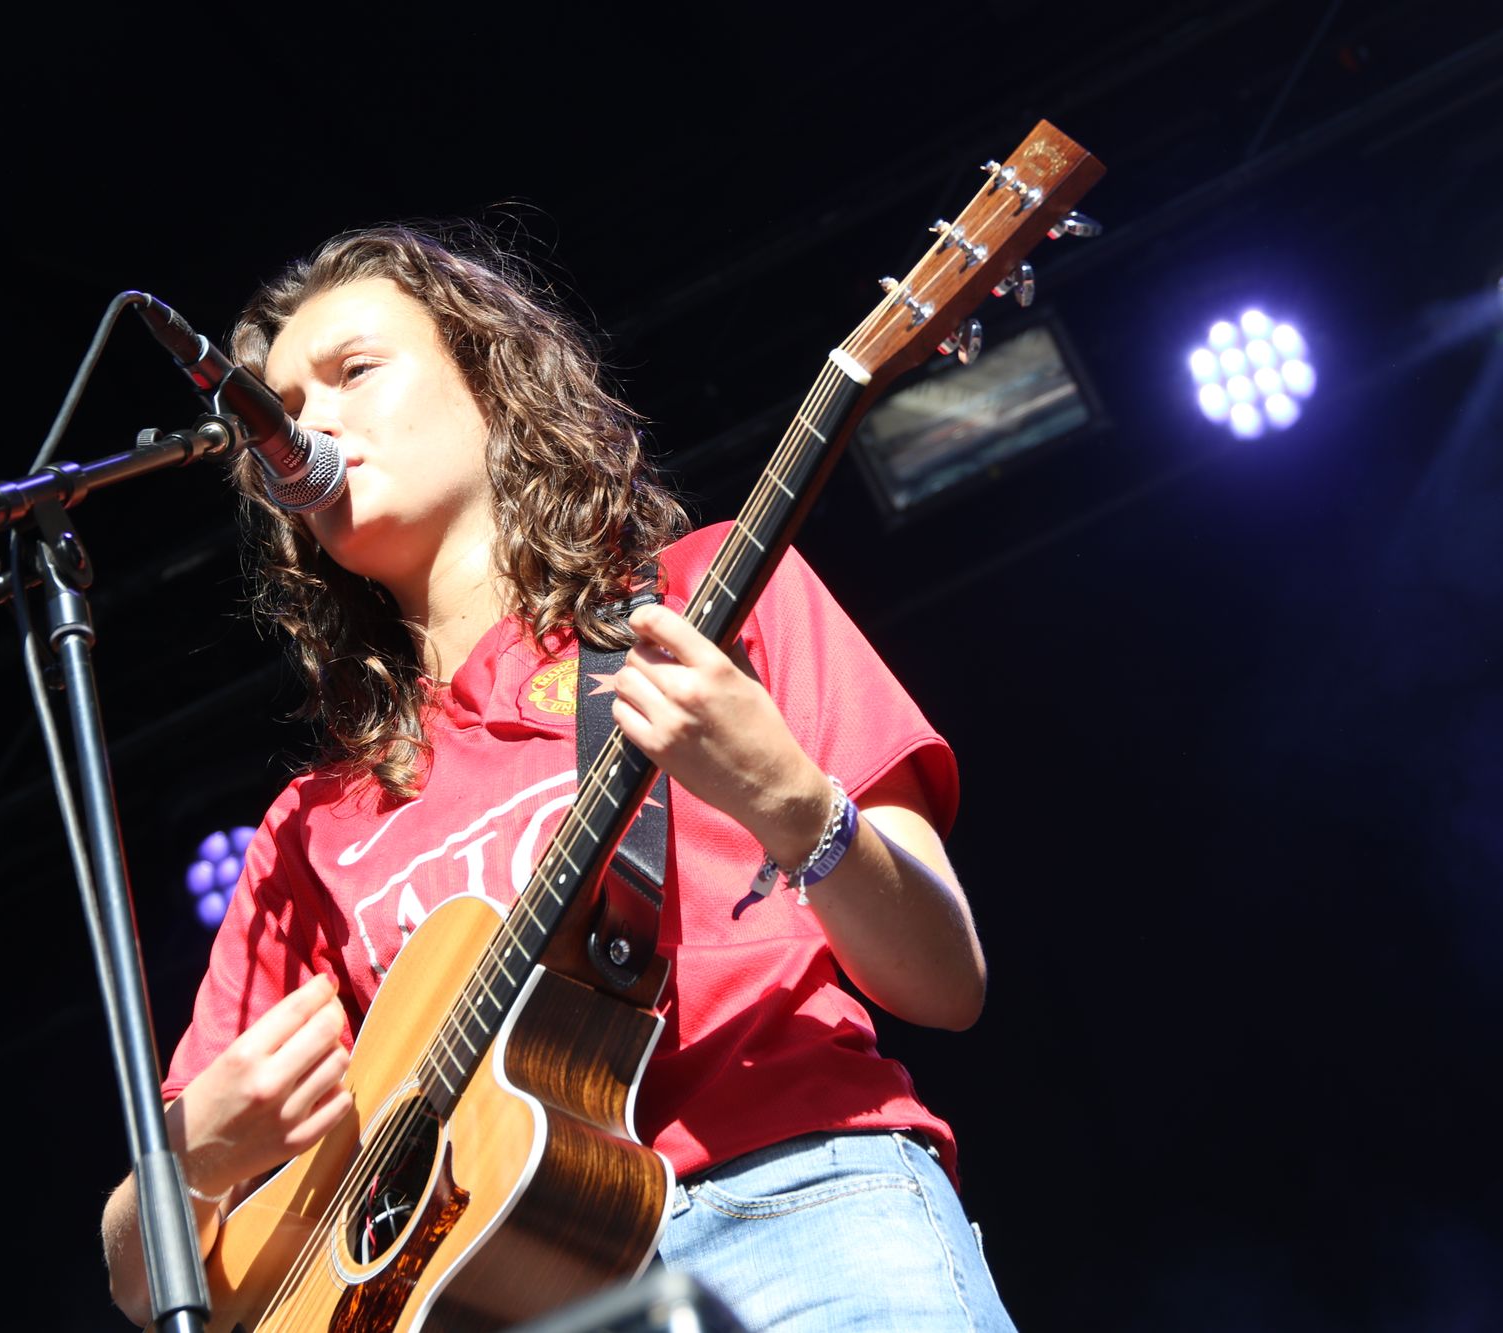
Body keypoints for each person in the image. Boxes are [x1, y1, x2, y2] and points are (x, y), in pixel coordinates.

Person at [100, 223, 1014, 1331]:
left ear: (489, 383)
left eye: (353, 372)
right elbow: (148, 1279)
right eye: (279, 409)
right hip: (508, 1296)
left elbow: (943, 979)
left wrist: (786, 802)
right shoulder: (310, 828)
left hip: (796, 1208)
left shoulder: (704, 604)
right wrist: (197, 1157)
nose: (307, 425)